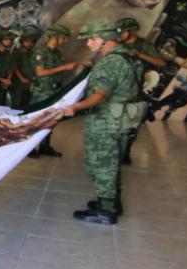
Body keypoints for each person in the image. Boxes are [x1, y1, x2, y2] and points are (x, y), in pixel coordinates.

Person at [61, 19, 139, 225]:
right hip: (120, 118)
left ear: (106, 40)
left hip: (105, 120)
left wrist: (76, 107)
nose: (89, 43)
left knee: (102, 163)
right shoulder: (126, 57)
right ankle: (112, 202)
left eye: (92, 39)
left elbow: (100, 95)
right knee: (111, 162)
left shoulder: (110, 63)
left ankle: (106, 211)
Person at [26, 24, 83, 157]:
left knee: (51, 120)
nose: (65, 41)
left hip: (53, 91)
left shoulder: (56, 52)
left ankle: (45, 146)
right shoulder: (41, 53)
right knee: (37, 120)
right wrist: (64, 67)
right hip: (41, 92)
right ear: (55, 37)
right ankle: (30, 148)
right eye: (63, 38)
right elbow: (40, 72)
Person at [116, 17, 166, 164]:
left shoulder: (144, 45)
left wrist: (140, 55)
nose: (120, 34)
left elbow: (161, 62)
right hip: (119, 89)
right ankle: (116, 151)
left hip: (137, 90)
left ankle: (125, 152)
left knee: (132, 124)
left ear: (131, 31)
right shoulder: (119, 45)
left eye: (123, 31)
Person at [10, 28, 40, 109]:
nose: (30, 44)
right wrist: (22, 78)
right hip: (18, 84)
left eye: (32, 41)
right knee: (17, 105)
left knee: (27, 104)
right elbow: (14, 67)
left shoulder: (33, 54)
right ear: (22, 42)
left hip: (29, 83)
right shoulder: (16, 54)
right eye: (27, 41)